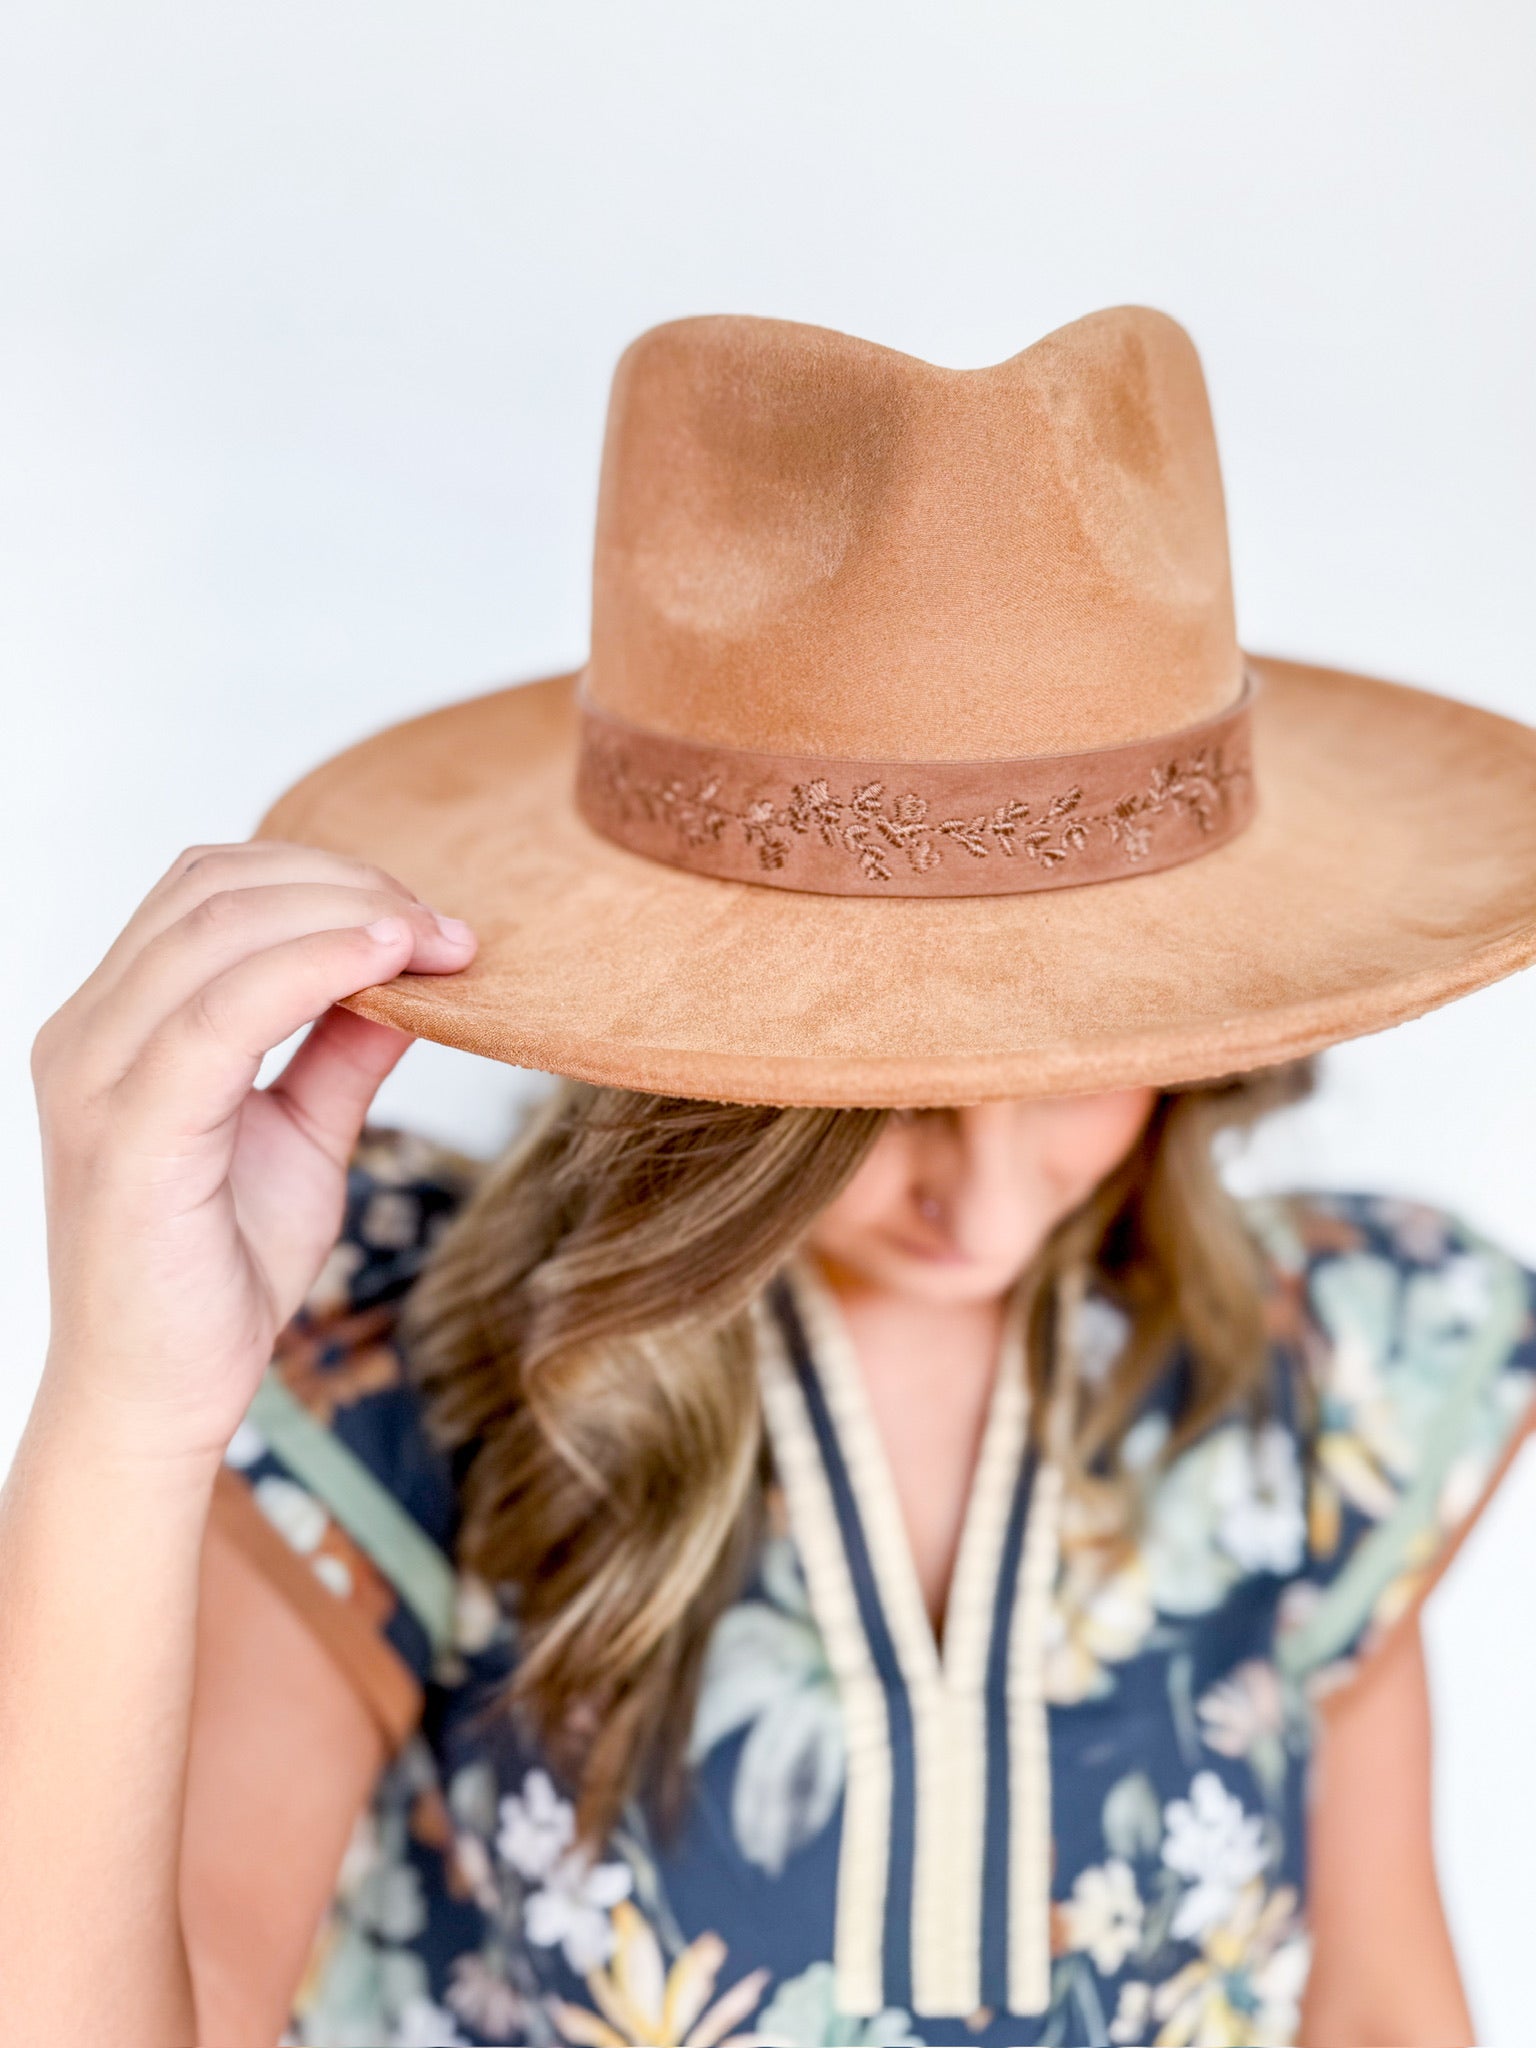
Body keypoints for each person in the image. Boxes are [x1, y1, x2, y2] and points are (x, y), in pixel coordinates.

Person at [5, 307, 1536, 2048]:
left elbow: (1388, 2018)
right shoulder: (409, 1377)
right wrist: (126, 1421)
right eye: (888, 1094)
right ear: (710, 1092)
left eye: (1078, 1065)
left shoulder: (1325, 1375)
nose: (997, 1194)